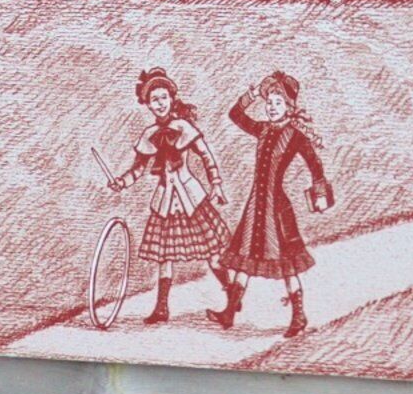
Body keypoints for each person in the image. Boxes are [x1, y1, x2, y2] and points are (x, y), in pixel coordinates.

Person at [107, 68, 231, 325]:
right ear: (148, 105)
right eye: (154, 100)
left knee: (211, 251)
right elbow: (139, 169)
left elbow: (206, 156)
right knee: (164, 256)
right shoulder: (149, 134)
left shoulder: (184, 127)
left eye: (163, 97)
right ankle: (161, 308)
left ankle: (232, 295)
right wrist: (122, 182)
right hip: (165, 201)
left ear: (171, 98)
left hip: (192, 200)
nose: (160, 103)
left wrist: (216, 184)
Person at [222, 70, 337, 336]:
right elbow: (235, 116)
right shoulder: (262, 129)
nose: (272, 108)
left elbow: (314, 164)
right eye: (269, 103)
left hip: (277, 210)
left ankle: (299, 316)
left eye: (278, 103)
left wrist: (320, 193)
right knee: (244, 258)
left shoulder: (295, 135)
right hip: (255, 208)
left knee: (286, 263)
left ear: (289, 107)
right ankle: (229, 311)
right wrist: (250, 96)